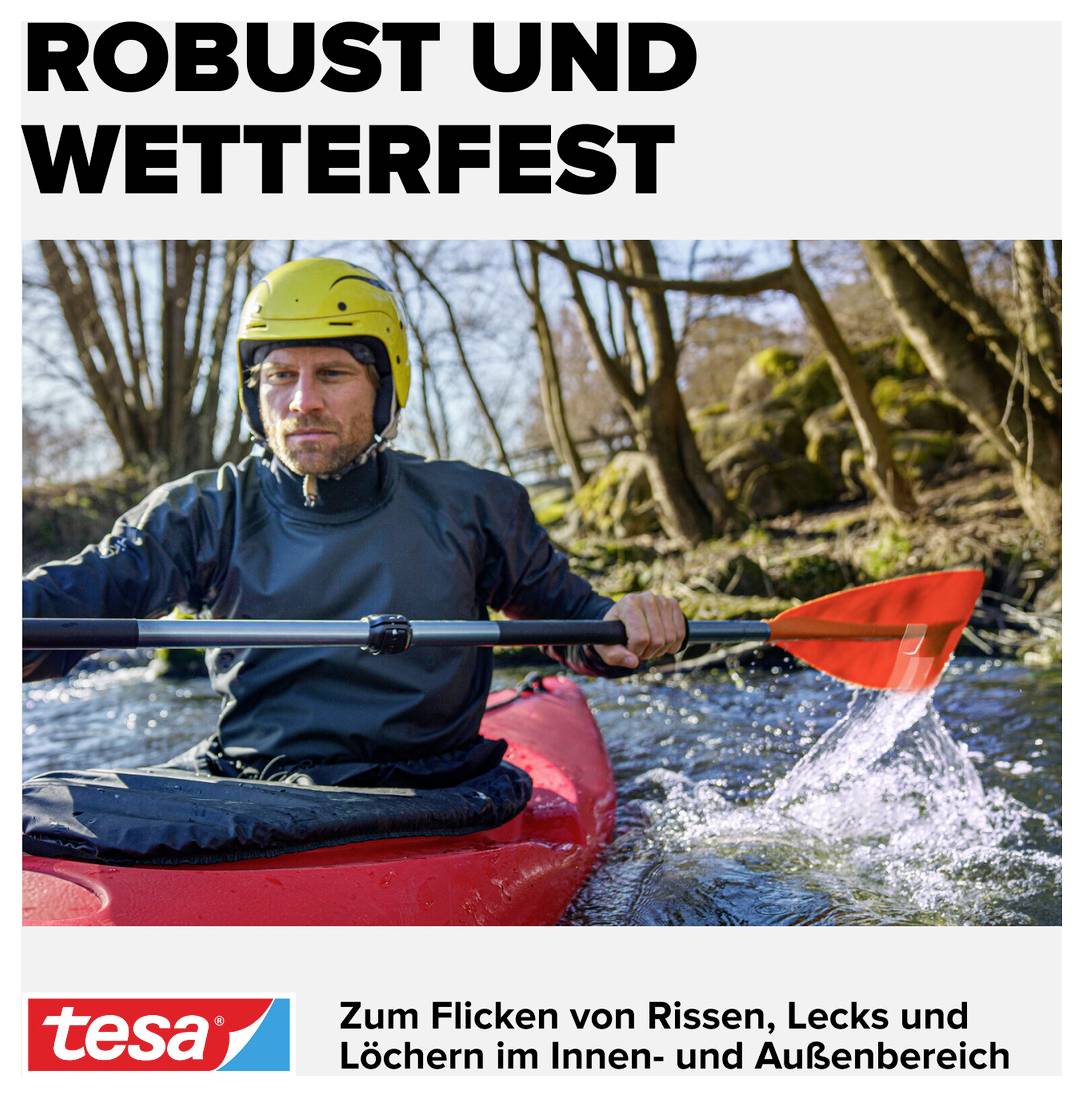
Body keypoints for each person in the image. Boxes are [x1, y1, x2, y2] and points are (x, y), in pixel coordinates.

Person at [23, 257, 686, 788]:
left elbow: (577, 622)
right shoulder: (203, 510)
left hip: (434, 793)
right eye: (280, 374)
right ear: (256, 394)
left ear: (385, 385)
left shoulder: (474, 503)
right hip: (258, 789)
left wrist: (624, 625)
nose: (302, 401)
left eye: (332, 373)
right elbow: (76, 598)